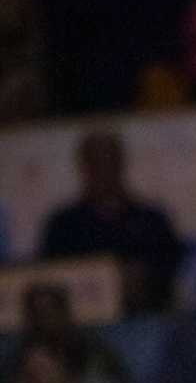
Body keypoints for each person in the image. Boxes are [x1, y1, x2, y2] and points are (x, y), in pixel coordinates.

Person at [38, 126, 181, 314]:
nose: (103, 170)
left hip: (147, 317)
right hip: (83, 321)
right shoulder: (62, 224)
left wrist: (144, 278)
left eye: (109, 160)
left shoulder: (152, 219)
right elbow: (49, 277)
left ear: (121, 163)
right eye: (95, 162)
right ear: (84, 167)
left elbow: (172, 268)